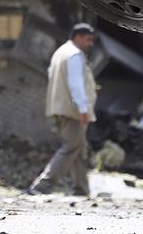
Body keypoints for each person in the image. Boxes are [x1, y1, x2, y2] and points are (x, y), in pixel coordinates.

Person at [27, 22, 98, 196]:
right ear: (78, 37)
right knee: (70, 147)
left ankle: (81, 189)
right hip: (73, 111)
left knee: (79, 150)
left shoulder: (61, 52)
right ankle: (42, 186)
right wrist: (82, 109)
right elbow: (76, 84)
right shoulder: (74, 55)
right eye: (88, 39)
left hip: (61, 108)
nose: (90, 44)